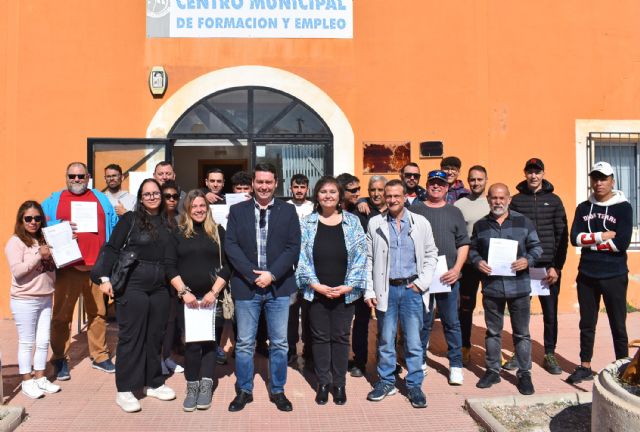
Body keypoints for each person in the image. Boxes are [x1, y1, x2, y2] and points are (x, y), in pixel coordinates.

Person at [92, 178, 175, 412]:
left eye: (156, 193)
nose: (152, 197)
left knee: (154, 336)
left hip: (160, 288)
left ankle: (153, 382)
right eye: (147, 194)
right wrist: (104, 278)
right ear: (140, 198)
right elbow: (111, 248)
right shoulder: (129, 219)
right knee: (131, 338)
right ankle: (126, 389)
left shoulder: (168, 223)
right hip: (133, 286)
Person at [224, 163, 301, 412]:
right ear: (253, 183)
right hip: (247, 288)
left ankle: (278, 390)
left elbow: (293, 247)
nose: (264, 186)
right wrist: (251, 275)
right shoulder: (237, 211)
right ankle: (244, 390)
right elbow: (231, 246)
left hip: (278, 287)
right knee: (245, 343)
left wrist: (272, 274)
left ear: (276, 183)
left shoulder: (288, 212)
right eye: (260, 182)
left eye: (268, 182)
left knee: (279, 343)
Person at [364, 179, 438, 409]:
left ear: (405, 196)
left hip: (411, 290)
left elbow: (431, 254)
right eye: (389, 196)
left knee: (414, 341)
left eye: (397, 196)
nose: (393, 200)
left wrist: (421, 283)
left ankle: (414, 384)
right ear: (384, 198)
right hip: (386, 289)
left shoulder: (421, 223)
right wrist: (369, 289)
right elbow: (368, 258)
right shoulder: (375, 223)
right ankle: (386, 381)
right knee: (386, 339)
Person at [41, 162, 118, 380]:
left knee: (99, 314)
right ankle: (59, 358)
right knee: (61, 316)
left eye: (80, 176)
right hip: (69, 269)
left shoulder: (101, 199)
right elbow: (38, 223)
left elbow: (112, 224)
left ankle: (100, 356)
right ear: (66, 176)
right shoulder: (54, 201)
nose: (76, 180)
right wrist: (59, 225)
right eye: (72, 176)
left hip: (97, 268)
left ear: (88, 177)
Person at [296, 176, 367, 405]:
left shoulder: (353, 222)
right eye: (323, 191)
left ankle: (339, 384)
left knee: (340, 337)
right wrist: (316, 285)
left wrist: (348, 286)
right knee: (319, 338)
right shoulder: (307, 222)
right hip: (316, 291)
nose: (328, 195)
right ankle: (323, 382)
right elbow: (302, 258)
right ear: (317, 196)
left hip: (345, 293)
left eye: (333, 192)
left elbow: (360, 256)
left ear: (339, 196)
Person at [469, 183, 542, 395]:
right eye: (493, 198)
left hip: (519, 287)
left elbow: (537, 247)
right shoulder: (481, 225)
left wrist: (527, 260)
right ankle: (492, 371)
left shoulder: (523, 221)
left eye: (502, 198)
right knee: (493, 332)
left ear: (509, 199)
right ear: (488, 199)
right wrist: (478, 262)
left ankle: (524, 373)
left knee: (521, 333)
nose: (497, 202)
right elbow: (473, 249)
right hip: (492, 288)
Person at [566, 161, 633, 384]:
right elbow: (574, 238)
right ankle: (585, 365)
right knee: (587, 323)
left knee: (618, 323)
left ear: (612, 180)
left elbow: (621, 243)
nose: (598, 183)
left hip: (614, 274)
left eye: (603, 178)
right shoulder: (584, 207)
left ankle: (623, 367)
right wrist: (601, 237)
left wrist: (588, 241)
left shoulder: (623, 207)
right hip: (587, 274)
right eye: (595, 178)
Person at [167, 189, 230, 411]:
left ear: (208, 208)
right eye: (194, 206)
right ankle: (192, 386)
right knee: (192, 344)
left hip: (214, 299)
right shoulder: (178, 233)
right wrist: (184, 292)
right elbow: (170, 265)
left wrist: (214, 291)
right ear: (187, 209)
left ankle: (206, 385)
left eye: (202, 206)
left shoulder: (218, 232)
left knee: (211, 343)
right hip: (188, 300)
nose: (199, 210)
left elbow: (228, 264)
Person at [410, 170, 469, 385]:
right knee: (422, 322)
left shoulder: (454, 212)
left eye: (441, 184)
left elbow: (463, 243)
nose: (436, 187)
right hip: (422, 276)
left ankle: (455, 366)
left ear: (447, 187)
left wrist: (457, 269)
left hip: (447, 276)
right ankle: (420, 361)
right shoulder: (414, 210)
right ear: (427, 185)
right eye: (433, 183)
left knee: (451, 322)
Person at [510, 158, 568, 375]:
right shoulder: (516, 201)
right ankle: (519, 352)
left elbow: (562, 235)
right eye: (530, 172)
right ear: (525, 173)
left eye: (537, 172)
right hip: (523, 266)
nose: (533, 176)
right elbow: (512, 234)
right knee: (520, 312)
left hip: (547, 269)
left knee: (550, 313)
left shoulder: (554, 200)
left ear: (543, 174)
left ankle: (549, 353)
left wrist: (557, 266)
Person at [5, 201, 60, 399]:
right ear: (21, 220)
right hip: (25, 298)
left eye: (37, 218)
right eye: (28, 218)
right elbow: (18, 272)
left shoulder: (44, 239)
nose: (33, 222)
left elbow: (55, 266)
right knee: (27, 342)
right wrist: (39, 255)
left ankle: (40, 377)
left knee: (43, 340)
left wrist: (65, 244)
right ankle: (27, 380)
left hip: (46, 296)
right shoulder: (16, 242)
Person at [349, 175, 387, 378]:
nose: (377, 193)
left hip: (387, 277)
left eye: (381, 189)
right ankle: (359, 360)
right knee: (361, 321)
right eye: (373, 190)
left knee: (386, 322)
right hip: (363, 276)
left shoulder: (394, 211)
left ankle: (386, 362)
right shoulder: (359, 212)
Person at [454, 165, 490, 366]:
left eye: (480, 179)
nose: (476, 183)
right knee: (466, 308)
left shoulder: (493, 201)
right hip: (468, 265)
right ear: (468, 181)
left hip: (490, 265)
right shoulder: (460, 204)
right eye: (472, 179)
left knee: (492, 307)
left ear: (486, 180)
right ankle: (465, 346)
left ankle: (492, 349)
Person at [286, 173, 313, 364]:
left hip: (310, 266)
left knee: (310, 309)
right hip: (290, 267)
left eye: (303, 187)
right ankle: (291, 348)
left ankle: (309, 348)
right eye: (296, 186)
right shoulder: (284, 207)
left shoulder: (314, 208)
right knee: (291, 310)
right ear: (291, 188)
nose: (299, 190)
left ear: (307, 189)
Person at [160, 179, 185, 375]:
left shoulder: (180, 219)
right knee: (159, 323)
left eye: (175, 196)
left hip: (175, 278)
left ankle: (166, 356)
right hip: (158, 277)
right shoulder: (155, 218)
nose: (171, 200)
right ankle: (157, 359)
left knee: (171, 321)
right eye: (167, 196)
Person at [356, 163, 426, 214]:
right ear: (401, 175)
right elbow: (376, 198)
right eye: (408, 175)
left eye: (416, 176)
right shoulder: (392, 190)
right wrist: (362, 201)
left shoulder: (426, 196)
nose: (412, 178)